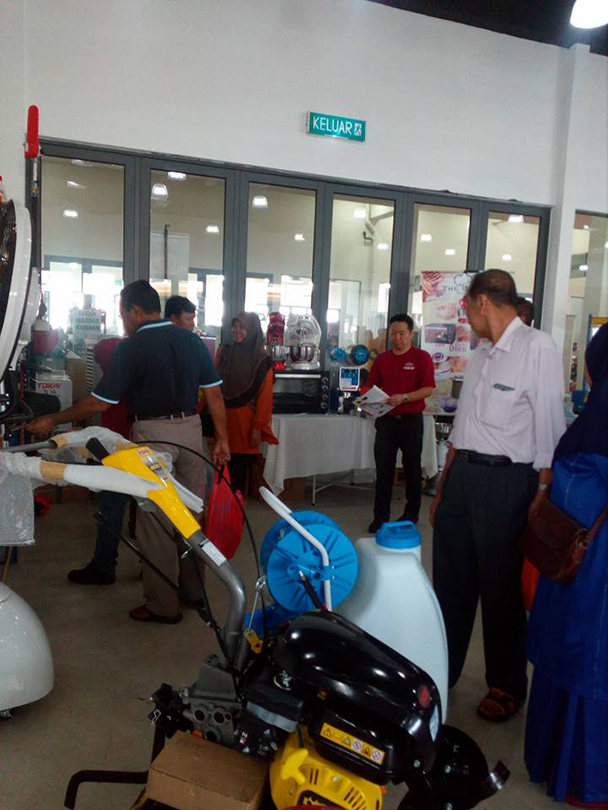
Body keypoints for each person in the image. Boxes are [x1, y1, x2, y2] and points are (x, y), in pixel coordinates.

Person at [27, 280, 230, 624]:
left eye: (123, 314)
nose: (123, 321)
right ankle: (194, 593)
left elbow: (100, 402)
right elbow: (214, 395)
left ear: (135, 310)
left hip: (154, 435)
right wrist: (222, 439)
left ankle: (162, 606)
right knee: (190, 515)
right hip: (192, 433)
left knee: (156, 521)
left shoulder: (133, 346)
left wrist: (54, 419)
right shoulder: (192, 341)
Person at [430, 269, 566, 721]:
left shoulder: (536, 348)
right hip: (463, 479)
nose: (467, 316)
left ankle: (506, 684)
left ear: (483, 301)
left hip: (506, 484)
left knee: (501, 588)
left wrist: (542, 491)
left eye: (467, 307)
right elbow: (463, 428)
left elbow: (550, 427)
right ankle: (441, 671)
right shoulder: (483, 352)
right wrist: (443, 486)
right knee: (450, 582)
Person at [525, 323, 608, 807]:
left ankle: (550, 758)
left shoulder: (588, 422)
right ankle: (586, 779)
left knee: (565, 657)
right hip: (597, 576)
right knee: (592, 666)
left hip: (570, 564)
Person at [68, 337, 130, 585]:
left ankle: (104, 566)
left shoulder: (112, 379)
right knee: (149, 512)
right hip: (143, 445)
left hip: (116, 451)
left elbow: (96, 405)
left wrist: (54, 420)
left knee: (111, 507)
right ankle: (150, 570)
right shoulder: (141, 372)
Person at [365, 313, 435, 532]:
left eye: (402, 334)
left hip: (411, 421)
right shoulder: (382, 360)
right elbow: (369, 386)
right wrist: (366, 401)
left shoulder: (421, 357)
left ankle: (411, 514)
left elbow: (428, 389)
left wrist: (404, 397)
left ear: (411, 334)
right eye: (393, 333)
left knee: (412, 468)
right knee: (383, 469)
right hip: (386, 422)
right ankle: (380, 517)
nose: (397, 338)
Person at [215, 312, 277, 495]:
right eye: (234, 326)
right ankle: (221, 512)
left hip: (244, 427)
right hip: (222, 422)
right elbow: (213, 384)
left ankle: (235, 512)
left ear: (252, 330)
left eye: (242, 327)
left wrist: (257, 428)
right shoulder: (225, 353)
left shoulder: (262, 360)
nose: (236, 330)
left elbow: (265, 399)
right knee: (220, 476)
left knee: (237, 479)